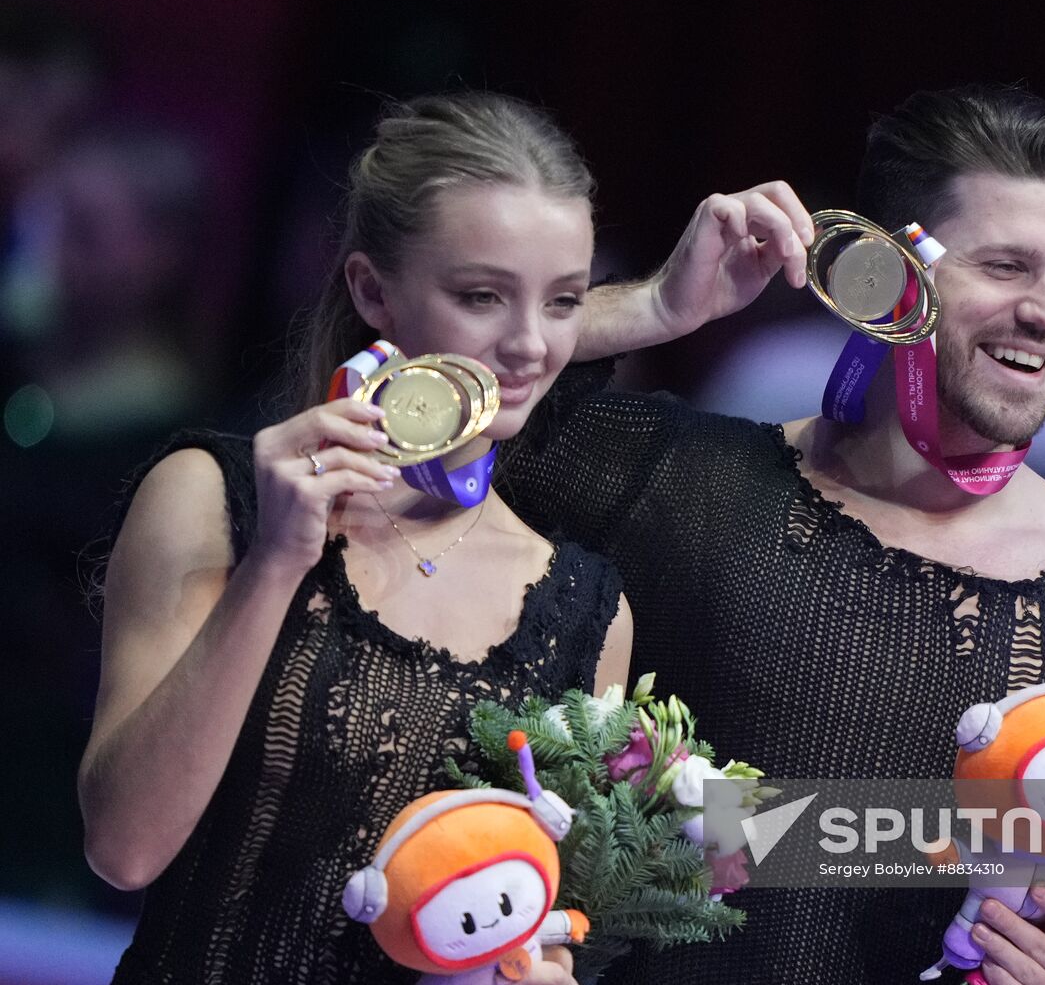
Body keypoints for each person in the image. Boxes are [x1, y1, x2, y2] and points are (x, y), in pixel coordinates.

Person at [501, 85, 1045, 984]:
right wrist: (649, 311)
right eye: (1005, 266)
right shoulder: (682, 482)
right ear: (886, 272)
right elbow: (421, 418)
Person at [77, 92, 633, 985]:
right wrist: (277, 566)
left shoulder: (584, 606)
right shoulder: (210, 497)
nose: (530, 344)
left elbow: (540, 926)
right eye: (482, 295)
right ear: (373, 289)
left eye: (565, 300)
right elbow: (125, 847)